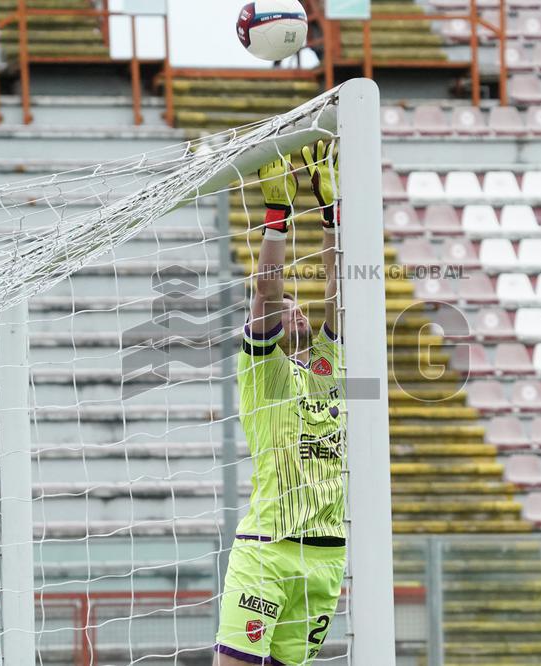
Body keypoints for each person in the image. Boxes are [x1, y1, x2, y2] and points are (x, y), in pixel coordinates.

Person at [214, 141, 345, 666]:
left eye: (299, 309)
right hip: (267, 547)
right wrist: (278, 217)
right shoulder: (265, 374)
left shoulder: (327, 369)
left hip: (326, 555)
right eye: (285, 309)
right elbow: (265, 294)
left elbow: (337, 290)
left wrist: (331, 217)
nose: (294, 313)